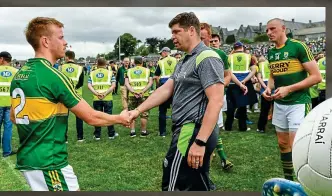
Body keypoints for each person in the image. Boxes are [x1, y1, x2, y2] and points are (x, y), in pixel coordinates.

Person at [10, 17, 130, 191]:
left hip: (30, 158)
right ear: (45, 41)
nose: (65, 43)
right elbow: (91, 117)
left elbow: (14, 116)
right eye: (60, 37)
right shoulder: (52, 76)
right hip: (49, 161)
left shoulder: (21, 74)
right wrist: (120, 118)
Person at [128, 12, 224, 191]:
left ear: (191, 31)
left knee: (174, 185)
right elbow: (166, 89)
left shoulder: (207, 58)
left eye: (176, 32)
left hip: (192, 131)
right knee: (196, 185)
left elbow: (216, 101)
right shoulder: (185, 60)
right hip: (187, 131)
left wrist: (200, 142)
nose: (172, 37)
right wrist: (136, 111)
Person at [263, 18, 322, 181]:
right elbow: (273, 75)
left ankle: (305, 182)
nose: (269, 33)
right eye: (267, 30)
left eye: (272, 29)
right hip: (280, 104)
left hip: (299, 102)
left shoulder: (298, 46)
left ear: (284, 29)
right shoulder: (271, 52)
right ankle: (289, 181)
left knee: (296, 146)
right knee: (283, 144)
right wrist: (269, 88)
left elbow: (316, 77)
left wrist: (289, 89)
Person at [224, 42, 257, 132]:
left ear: (234, 48)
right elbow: (254, 70)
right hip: (245, 83)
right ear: (242, 47)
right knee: (242, 106)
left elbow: (228, 71)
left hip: (232, 83)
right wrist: (245, 80)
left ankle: (228, 126)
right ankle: (243, 127)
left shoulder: (228, 57)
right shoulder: (249, 56)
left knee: (231, 106)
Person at [88, 58, 118, 140]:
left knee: (97, 116)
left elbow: (89, 85)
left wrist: (96, 93)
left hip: (96, 98)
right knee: (109, 116)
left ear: (97, 64)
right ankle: (111, 134)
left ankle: (97, 135)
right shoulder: (110, 73)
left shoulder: (92, 73)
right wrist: (105, 93)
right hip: (107, 97)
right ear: (106, 64)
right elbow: (113, 85)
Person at [125, 56, 153, 137]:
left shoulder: (129, 71)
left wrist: (133, 91)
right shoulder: (148, 70)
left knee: (131, 112)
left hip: (132, 94)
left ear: (134, 62)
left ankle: (132, 131)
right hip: (144, 94)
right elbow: (150, 82)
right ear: (142, 62)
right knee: (144, 113)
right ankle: (143, 132)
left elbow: (126, 83)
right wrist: (143, 91)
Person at [60, 50, 85, 142]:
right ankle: (80, 137)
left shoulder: (60, 68)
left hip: (64, 95)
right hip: (77, 95)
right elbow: (81, 82)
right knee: (79, 117)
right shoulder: (80, 68)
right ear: (73, 57)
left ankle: (64, 138)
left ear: (67, 57)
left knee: (64, 117)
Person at [154, 47, 177, 137]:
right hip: (175, 86)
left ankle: (162, 132)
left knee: (162, 111)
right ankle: (176, 131)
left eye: (161, 53)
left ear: (164, 52)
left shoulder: (161, 62)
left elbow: (156, 76)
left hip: (164, 87)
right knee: (176, 110)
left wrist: (158, 85)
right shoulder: (176, 60)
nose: (161, 55)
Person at [0, 51, 18, 157]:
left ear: (2, 59)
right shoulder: (16, 71)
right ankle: (6, 151)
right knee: (8, 128)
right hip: (11, 103)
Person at [256, 56, 273, 133]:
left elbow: (259, 78)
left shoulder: (260, 65)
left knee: (264, 109)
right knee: (277, 108)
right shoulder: (271, 63)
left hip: (265, 88)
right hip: (274, 86)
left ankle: (261, 127)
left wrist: (266, 87)